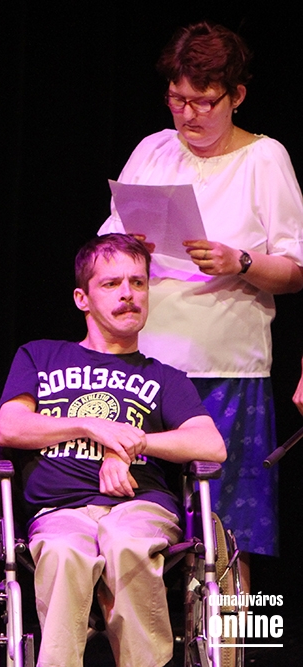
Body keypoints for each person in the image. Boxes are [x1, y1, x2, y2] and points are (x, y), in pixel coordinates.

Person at [99, 22, 303, 574]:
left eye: (203, 102)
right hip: (146, 370)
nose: (188, 114)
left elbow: (294, 270)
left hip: (226, 370)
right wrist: (130, 248)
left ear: (236, 95)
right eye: (177, 99)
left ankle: (232, 628)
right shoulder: (153, 150)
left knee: (228, 524)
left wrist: (241, 262)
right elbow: (105, 245)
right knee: (136, 516)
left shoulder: (265, 159)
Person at [0, 234, 226, 667]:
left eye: (138, 283)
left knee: (126, 544)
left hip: (140, 506)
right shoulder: (41, 356)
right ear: (82, 299)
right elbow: (10, 427)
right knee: (64, 554)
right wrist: (91, 425)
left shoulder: (165, 377)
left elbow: (210, 444)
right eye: (111, 284)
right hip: (60, 507)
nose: (128, 294)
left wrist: (133, 441)